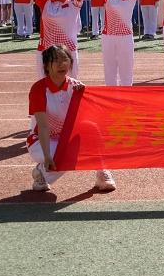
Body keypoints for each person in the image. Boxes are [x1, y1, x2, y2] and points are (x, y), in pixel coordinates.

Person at [27, 45, 116, 193]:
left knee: (91, 129)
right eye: (56, 60)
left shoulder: (76, 87)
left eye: (65, 59)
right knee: (65, 153)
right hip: (40, 140)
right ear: (46, 66)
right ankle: (41, 172)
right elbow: (43, 126)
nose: (61, 64)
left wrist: (83, 97)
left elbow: (86, 121)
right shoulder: (39, 89)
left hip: (66, 138)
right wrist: (47, 156)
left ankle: (102, 171)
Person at [90, 0, 140, 86]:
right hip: (108, 36)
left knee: (126, 66)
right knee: (109, 66)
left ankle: (126, 90)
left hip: (125, 36)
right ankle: (110, 91)